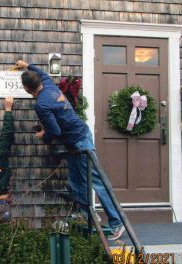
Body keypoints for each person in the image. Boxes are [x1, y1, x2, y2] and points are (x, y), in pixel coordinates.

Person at [15, 60, 125, 240]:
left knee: (97, 182)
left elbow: (55, 131)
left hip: (81, 142)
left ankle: (117, 223)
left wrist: (44, 136)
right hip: (74, 143)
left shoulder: (41, 104)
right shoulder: (48, 84)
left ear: (27, 89)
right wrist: (27, 65)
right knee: (76, 183)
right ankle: (89, 216)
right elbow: (41, 72)